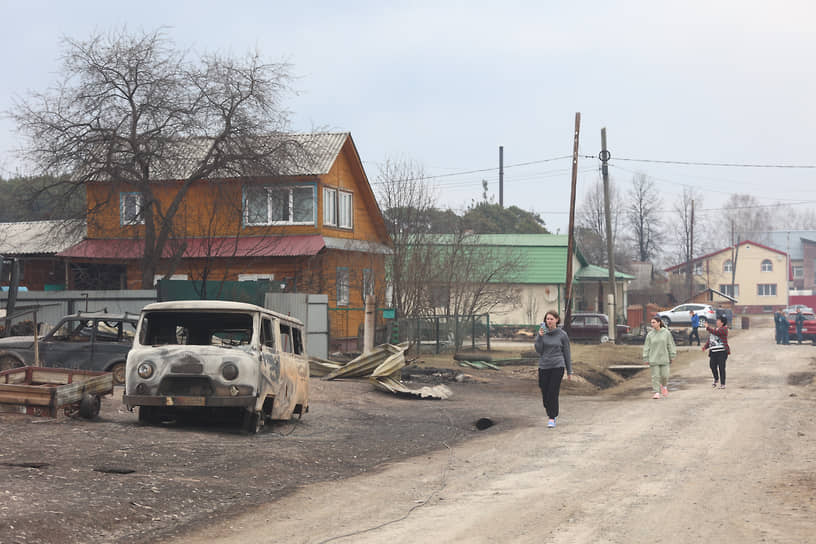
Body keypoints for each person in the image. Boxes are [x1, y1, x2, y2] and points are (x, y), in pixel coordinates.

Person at [534, 310, 573, 428]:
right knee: (544, 392)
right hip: (544, 366)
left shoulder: (562, 335)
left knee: (552, 392)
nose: (549, 321)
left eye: (551, 319)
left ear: (557, 320)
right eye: (547, 319)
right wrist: (539, 337)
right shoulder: (542, 333)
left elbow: (567, 353)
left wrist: (569, 371)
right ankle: (549, 409)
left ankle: (552, 417)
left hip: (557, 365)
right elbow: (538, 350)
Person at [642, 316, 676, 399]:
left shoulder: (666, 333)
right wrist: (646, 357)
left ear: (659, 323)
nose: (652, 324)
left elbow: (670, 344)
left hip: (664, 358)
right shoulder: (650, 334)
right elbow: (646, 347)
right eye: (651, 323)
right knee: (655, 376)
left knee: (665, 375)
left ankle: (664, 386)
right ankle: (656, 392)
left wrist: (672, 355)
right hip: (653, 358)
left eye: (653, 322)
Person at [703, 316, 730, 389]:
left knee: (721, 367)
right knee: (712, 366)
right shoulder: (714, 329)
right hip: (713, 352)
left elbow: (717, 333)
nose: (716, 321)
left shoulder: (724, 329)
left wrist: (708, 327)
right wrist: (705, 347)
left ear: (722, 322)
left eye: (718, 320)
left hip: (722, 352)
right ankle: (716, 378)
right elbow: (710, 340)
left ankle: (723, 384)